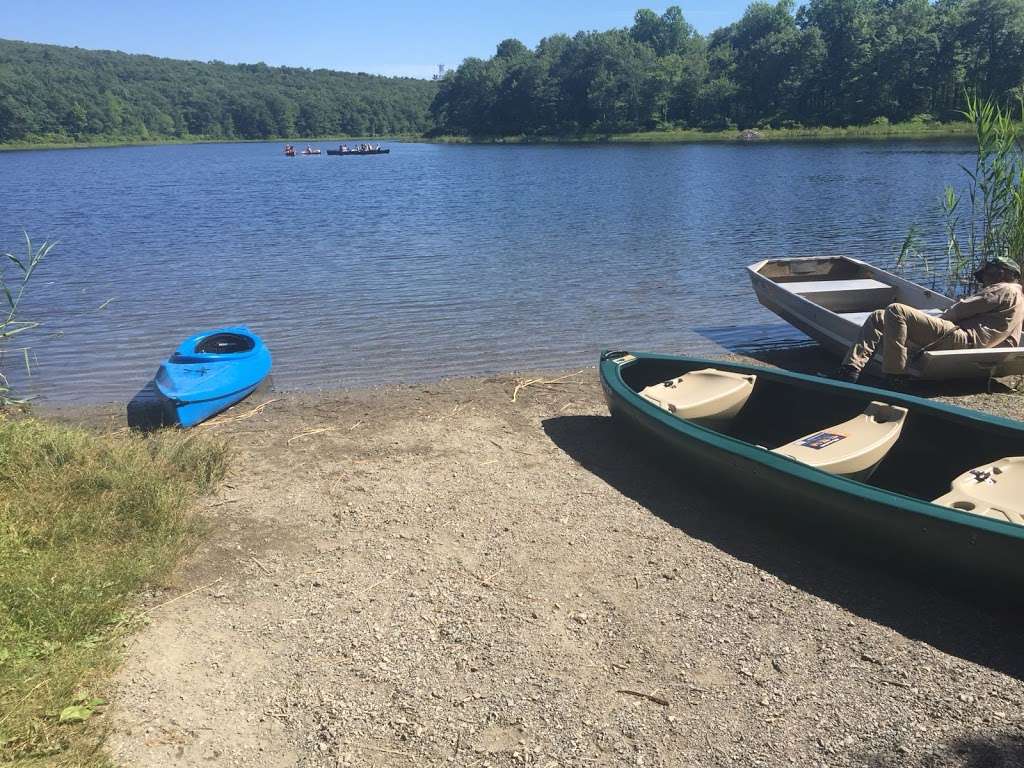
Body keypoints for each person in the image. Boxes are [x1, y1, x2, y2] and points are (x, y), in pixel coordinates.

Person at [836, 255, 1023, 385]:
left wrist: (936, 320)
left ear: (1002, 273)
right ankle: (851, 369)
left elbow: (961, 309)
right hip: (970, 341)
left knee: (896, 310)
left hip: (962, 339)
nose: (986, 281)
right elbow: (1012, 338)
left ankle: (895, 375)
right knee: (879, 317)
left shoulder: (1005, 288)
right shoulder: (1019, 299)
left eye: (988, 274)